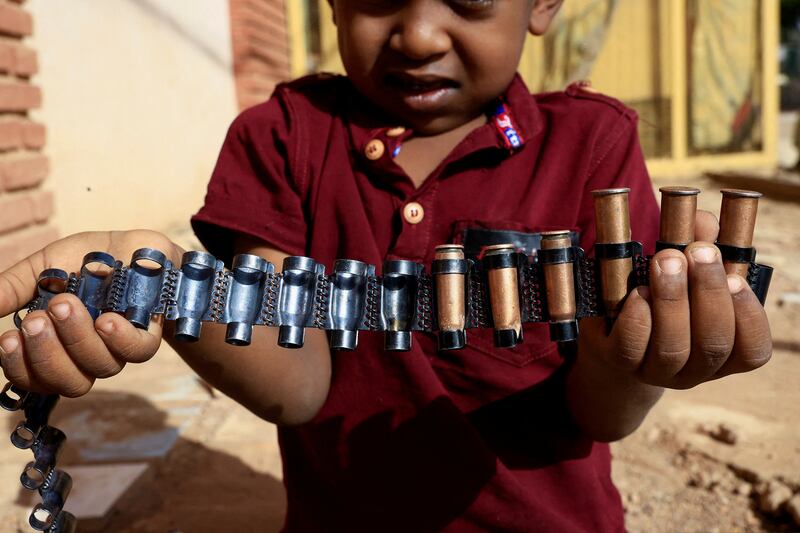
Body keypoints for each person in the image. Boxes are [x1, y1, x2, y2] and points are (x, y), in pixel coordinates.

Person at [0, 1, 772, 531]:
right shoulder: (284, 138)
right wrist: (168, 285)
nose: (420, 36)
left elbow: (604, 411)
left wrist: (635, 357)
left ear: (542, 4)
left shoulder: (591, 146)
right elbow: (298, 384)